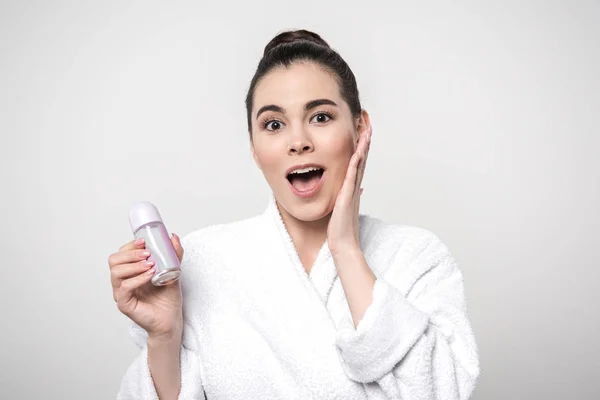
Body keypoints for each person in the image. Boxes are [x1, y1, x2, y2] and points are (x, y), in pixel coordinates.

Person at [109, 29, 480, 400]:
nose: (298, 141)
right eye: (273, 124)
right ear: (254, 148)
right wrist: (165, 336)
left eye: (320, 117)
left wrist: (346, 249)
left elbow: (441, 392)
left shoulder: (416, 257)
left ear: (360, 128)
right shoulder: (203, 262)